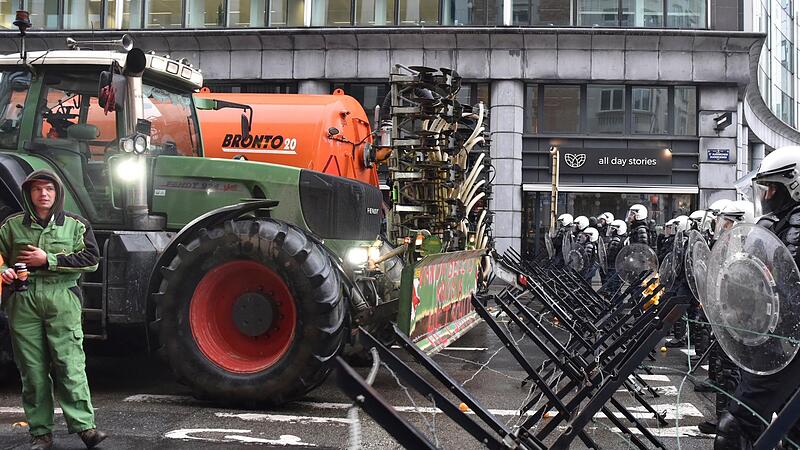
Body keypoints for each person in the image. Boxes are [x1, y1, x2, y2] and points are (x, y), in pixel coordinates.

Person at [0, 170, 107, 450]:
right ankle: (41, 434)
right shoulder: (11, 226)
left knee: (70, 364)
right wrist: (4, 272)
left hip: (62, 297)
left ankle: (85, 428)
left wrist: (48, 259)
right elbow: (0, 257)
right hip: (23, 300)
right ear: (28, 193)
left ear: (57, 192)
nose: (43, 194)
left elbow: (91, 259)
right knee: (32, 370)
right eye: (37, 189)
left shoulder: (76, 225)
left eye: (48, 188)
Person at [715, 147, 800, 449]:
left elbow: (787, 287)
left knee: (736, 426)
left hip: (786, 342)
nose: (766, 194)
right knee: (791, 427)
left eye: (772, 187)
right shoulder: (781, 221)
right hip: (781, 339)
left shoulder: (796, 224)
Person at [603, 219, 627, 296]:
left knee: (613, 287)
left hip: (613, 266)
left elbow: (610, 255)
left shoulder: (616, 240)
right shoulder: (623, 238)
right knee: (616, 287)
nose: (611, 231)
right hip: (618, 265)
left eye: (613, 229)